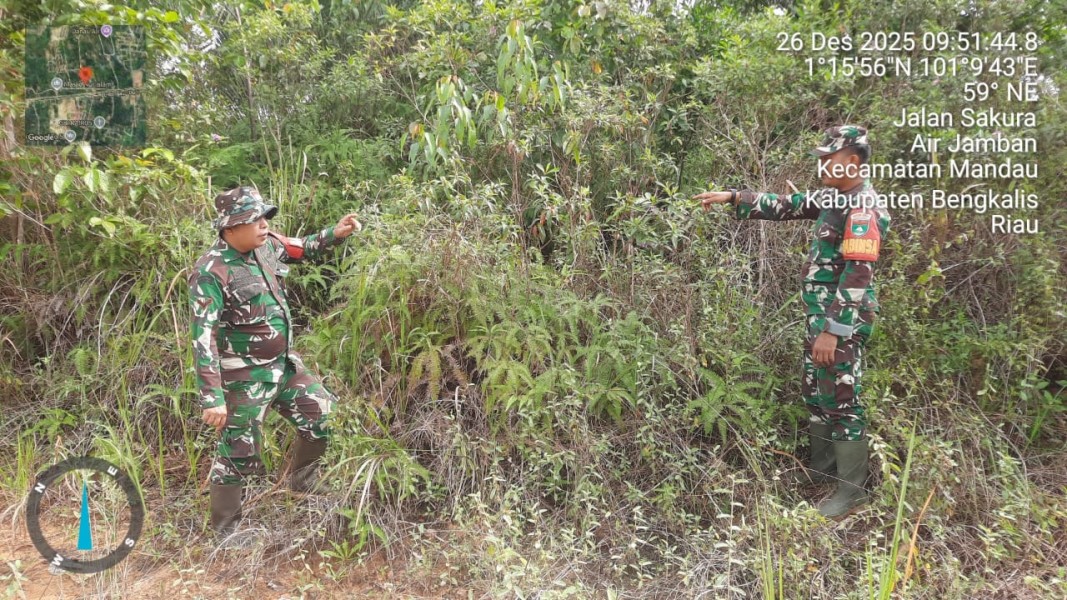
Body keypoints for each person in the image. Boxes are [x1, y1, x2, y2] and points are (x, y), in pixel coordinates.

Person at [693, 125, 890, 518]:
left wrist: (834, 333)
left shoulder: (863, 207)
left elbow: (858, 275)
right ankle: (822, 472)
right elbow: (790, 204)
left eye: (827, 159)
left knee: (842, 401)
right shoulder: (836, 196)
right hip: (820, 319)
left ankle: (851, 493)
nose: (820, 166)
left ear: (852, 162)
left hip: (842, 323)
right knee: (818, 393)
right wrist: (735, 197)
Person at [188, 185, 361, 535]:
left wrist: (336, 233)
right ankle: (227, 532)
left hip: (284, 366)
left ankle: (302, 481)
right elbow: (202, 335)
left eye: (265, 216)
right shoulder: (211, 271)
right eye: (255, 219)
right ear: (231, 227)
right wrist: (212, 396)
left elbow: (303, 246)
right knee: (239, 449)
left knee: (324, 416)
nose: (264, 224)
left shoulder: (268, 246)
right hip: (244, 377)